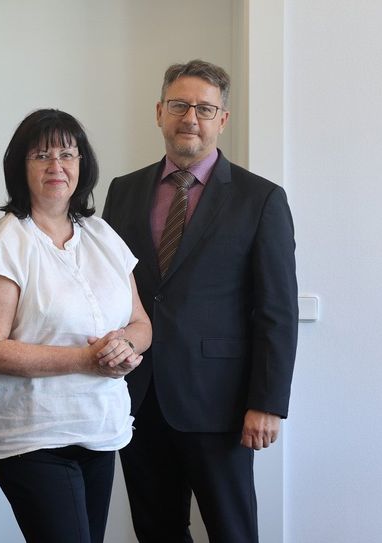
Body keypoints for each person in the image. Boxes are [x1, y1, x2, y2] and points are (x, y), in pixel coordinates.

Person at [103, 59, 298, 542]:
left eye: (204, 108)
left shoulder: (261, 200)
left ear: (222, 119)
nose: (190, 117)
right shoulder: (123, 191)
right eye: (179, 105)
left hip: (222, 405)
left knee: (232, 531)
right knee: (156, 529)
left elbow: (276, 311)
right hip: (138, 396)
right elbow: (109, 286)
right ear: (159, 112)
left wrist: (267, 403)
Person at [0, 109, 152, 543]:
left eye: (67, 154)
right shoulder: (4, 243)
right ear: (19, 168)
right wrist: (87, 358)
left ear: (82, 165)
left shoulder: (102, 235)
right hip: (34, 434)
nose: (56, 166)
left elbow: (141, 322)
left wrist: (124, 345)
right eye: (41, 155)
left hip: (101, 427)